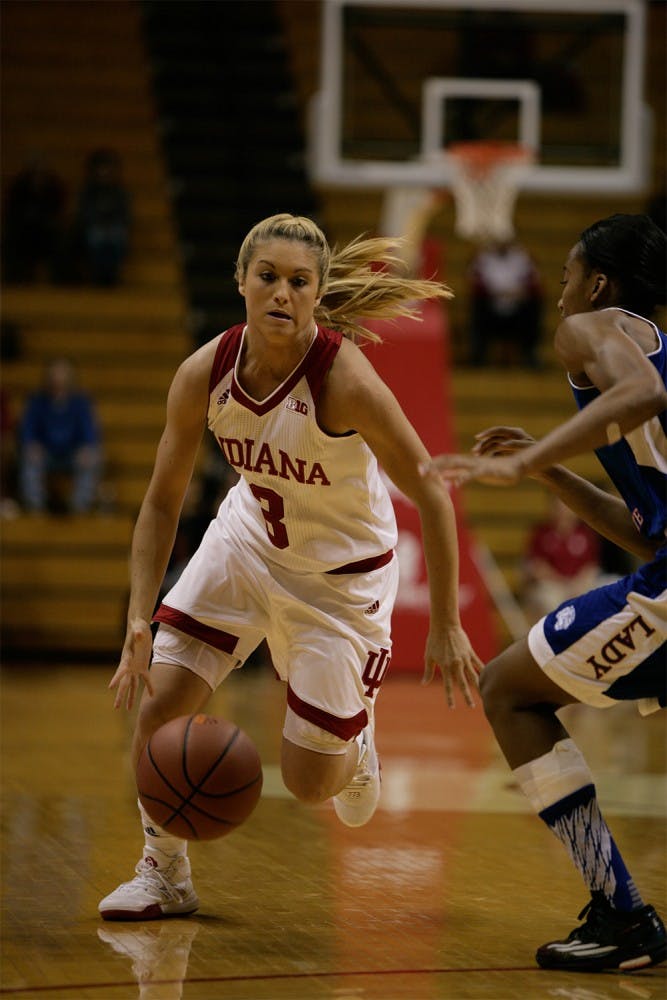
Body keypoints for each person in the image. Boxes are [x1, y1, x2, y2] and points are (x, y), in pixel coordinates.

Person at [99, 213, 482, 921]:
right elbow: (159, 504)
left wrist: (449, 624)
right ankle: (164, 873)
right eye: (267, 277)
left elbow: (430, 487)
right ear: (240, 282)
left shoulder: (345, 381)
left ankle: (357, 741)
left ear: (318, 291)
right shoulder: (204, 373)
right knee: (158, 708)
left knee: (310, 785)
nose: (281, 292)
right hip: (247, 544)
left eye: (298, 282)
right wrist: (136, 617)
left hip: (340, 585)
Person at [423, 213, 666, 972]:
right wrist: (545, 467)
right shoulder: (653, 342)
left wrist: (504, 471)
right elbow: (642, 533)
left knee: (505, 691)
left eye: (564, 275)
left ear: (597, 282)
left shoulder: (589, 328)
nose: (557, 293)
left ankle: (621, 913)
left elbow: (638, 390)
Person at [18, 357, 102, 514]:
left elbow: (90, 431)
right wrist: (31, 444)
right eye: (55, 373)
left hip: (72, 454)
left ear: (71, 377)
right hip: (45, 453)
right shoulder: (37, 401)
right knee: (29, 456)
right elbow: (27, 430)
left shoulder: (80, 402)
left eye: (63, 373)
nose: (59, 378)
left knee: (93, 456)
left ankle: (79, 506)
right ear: (48, 376)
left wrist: (87, 447)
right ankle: (35, 506)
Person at [521, 494, 601, 622]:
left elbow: (591, 566)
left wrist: (577, 585)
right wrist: (562, 584)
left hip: (579, 584)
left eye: (567, 506)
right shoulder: (541, 533)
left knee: (596, 598)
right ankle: (553, 639)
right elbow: (536, 566)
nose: (563, 510)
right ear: (551, 508)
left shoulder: (585, 534)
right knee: (549, 600)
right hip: (552, 585)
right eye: (559, 506)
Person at [468, 239, 543, 367]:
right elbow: (474, 281)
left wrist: (520, 293)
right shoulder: (484, 257)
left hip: (517, 308)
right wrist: (494, 294)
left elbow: (535, 282)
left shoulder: (522, 257)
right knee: (478, 305)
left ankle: (530, 354)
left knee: (534, 305)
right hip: (491, 307)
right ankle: (478, 355)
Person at [2, 153, 67, 284]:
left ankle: (60, 279)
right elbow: (12, 209)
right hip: (23, 227)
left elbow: (57, 209)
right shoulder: (19, 185)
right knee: (12, 236)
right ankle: (14, 278)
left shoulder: (54, 186)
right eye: (35, 168)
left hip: (47, 228)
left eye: (41, 169)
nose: (38, 172)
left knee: (60, 238)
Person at [72, 148, 131, 287]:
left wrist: (112, 224)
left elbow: (126, 216)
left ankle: (111, 274)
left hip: (114, 227)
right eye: (101, 168)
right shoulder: (87, 192)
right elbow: (83, 215)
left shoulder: (120, 192)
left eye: (107, 168)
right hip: (94, 227)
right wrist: (96, 223)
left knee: (117, 236)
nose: (104, 172)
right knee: (96, 236)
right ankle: (97, 274)